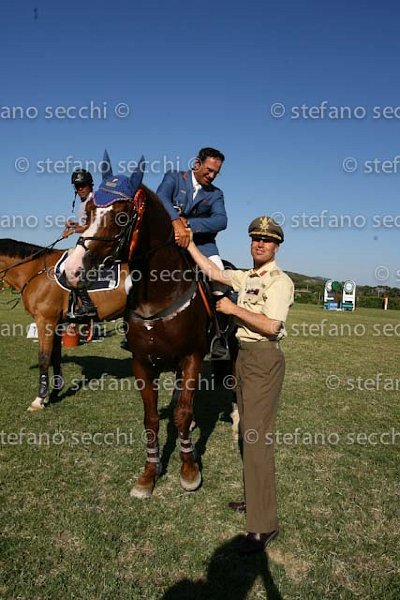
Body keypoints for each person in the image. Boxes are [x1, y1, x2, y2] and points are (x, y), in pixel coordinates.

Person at [187, 216, 294, 554]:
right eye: (255, 239)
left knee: (257, 438)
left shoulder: (279, 282)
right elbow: (214, 271)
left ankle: (265, 525)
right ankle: (255, 501)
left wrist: (233, 308)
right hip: (244, 356)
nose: (260, 244)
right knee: (248, 432)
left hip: (263, 358)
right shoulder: (246, 277)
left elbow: (272, 325)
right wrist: (189, 244)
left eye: (267, 240)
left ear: (276, 247)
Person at [156, 147, 229, 357]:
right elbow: (161, 197)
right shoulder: (174, 177)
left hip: (203, 246)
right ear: (197, 163)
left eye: (216, 173)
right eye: (209, 170)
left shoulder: (216, 194)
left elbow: (221, 221)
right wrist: (176, 222)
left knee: (220, 282)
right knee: (138, 276)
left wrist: (188, 223)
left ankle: (218, 336)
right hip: (168, 243)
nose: (212, 176)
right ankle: (132, 328)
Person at [65, 169, 97, 320]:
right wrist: (74, 225)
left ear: (90, 185)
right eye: (77, 186)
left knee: (72, 267)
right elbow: (84, 224)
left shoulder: (93, 200)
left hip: (93, 243)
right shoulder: (83, 203)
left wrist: (73, 230)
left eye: (83, 185)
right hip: (85, 241)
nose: (80, 189)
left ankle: (87, 305)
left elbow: (92, 226)